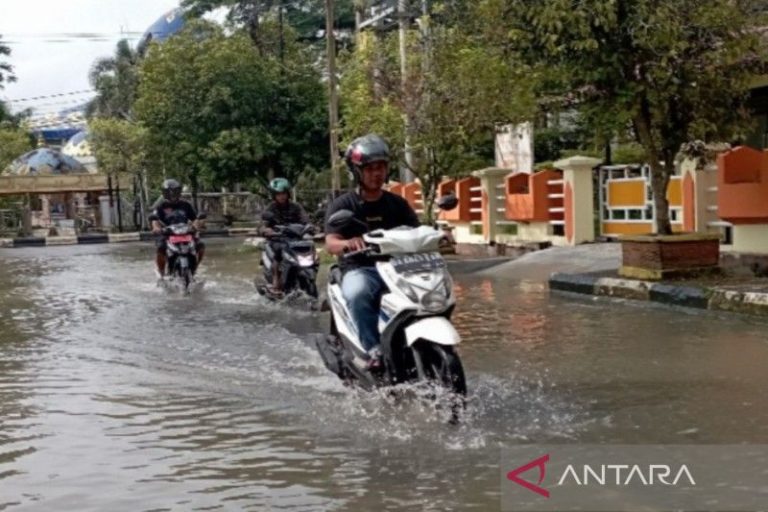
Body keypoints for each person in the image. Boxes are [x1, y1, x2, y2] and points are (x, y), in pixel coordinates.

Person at [324, 134, 420, 369]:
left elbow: (417, 232)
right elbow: (330, 243)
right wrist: (348, 243)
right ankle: (373, 349)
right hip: (361, 268)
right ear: (357, 172)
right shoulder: (344, 205)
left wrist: (440, 236)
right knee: (358, 293)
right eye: (370, 169)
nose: (377, 174)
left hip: (398, 269)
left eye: (381, 167)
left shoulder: (397, 204)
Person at [259, 177, 310, 294]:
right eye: (278, 194)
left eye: (284, 193)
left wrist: (310, 227)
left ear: (288, 193)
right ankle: (276, 281)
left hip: (295, 239)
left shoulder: (296, 207)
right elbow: (262, 225)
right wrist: (266, 230)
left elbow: (305, 219)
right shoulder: (270, 208)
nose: (282, 196)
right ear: (274, 195)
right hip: (277, 239)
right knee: (279, 250)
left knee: (308, 248)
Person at [151, 178, 205, 279]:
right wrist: (156, 228)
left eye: (175, 192)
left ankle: (195, 267)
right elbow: (155, 220)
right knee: (160, 248)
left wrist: (196, 226)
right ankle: (161, 273)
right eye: (169, 192)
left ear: (179, 192)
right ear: (164, 193)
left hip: (186, 233)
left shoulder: (186, 205)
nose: (172, 195)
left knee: (200, 245)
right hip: (167, 234)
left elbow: (195, 218)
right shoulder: (160, 206)